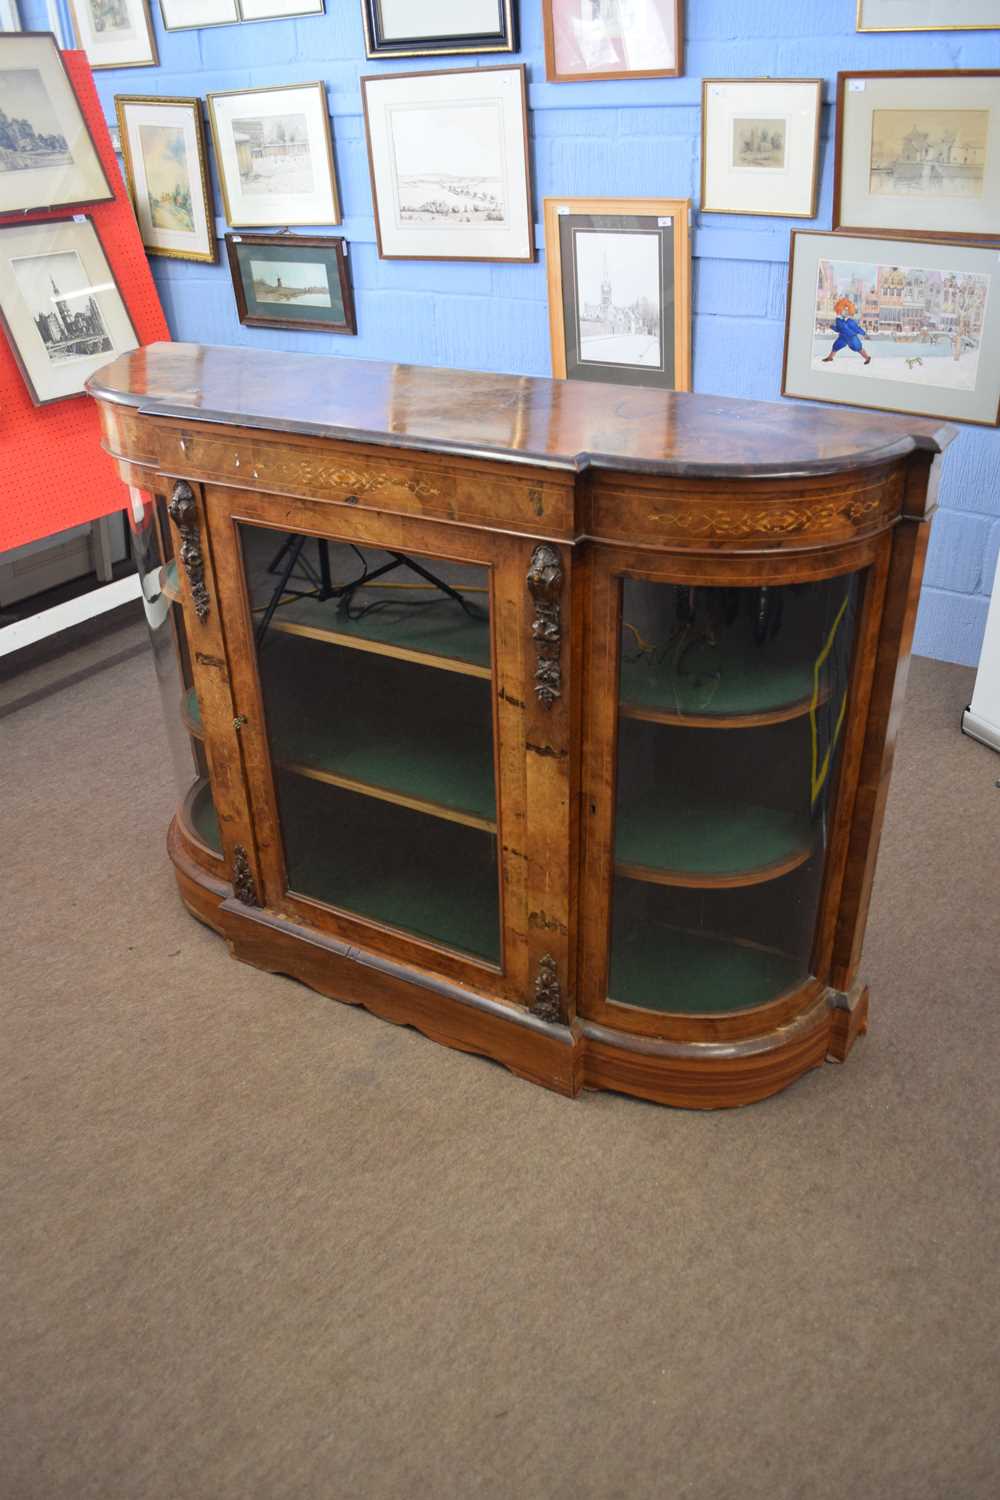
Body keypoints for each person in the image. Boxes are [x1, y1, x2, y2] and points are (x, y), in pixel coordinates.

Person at [822, 297, 871, 366]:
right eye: (843, 310)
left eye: (847, 310)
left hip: (852, 338)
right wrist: (831, 326)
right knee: (835, 346)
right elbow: (838, 329)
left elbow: (857, 329)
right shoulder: (838, 320)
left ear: (850, 311)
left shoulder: (850, 321)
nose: (845, 312)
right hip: (842, 337)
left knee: (858, 348)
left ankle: (867, 357)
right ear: (839, 310)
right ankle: (830, 357)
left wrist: (864, 334)